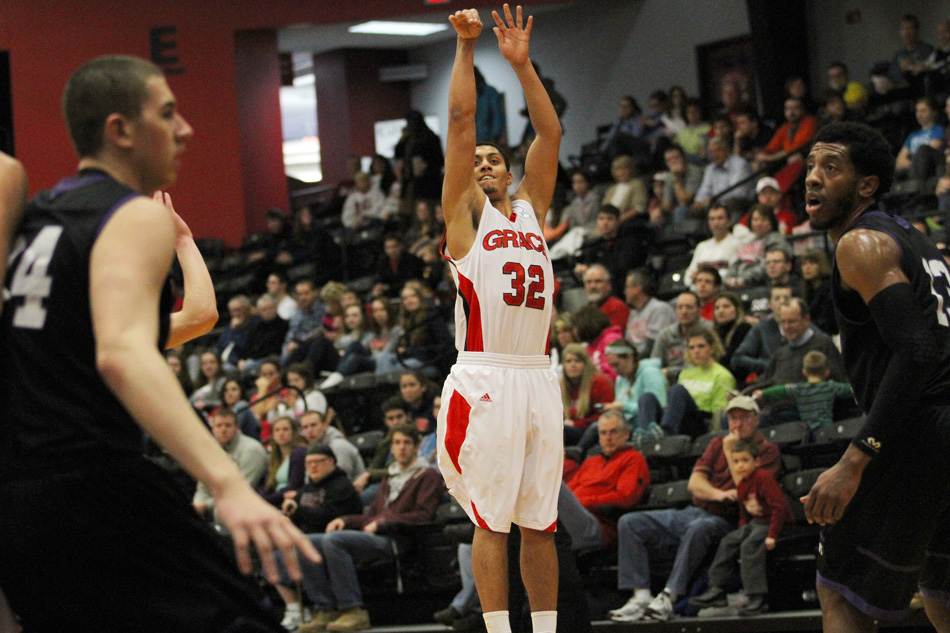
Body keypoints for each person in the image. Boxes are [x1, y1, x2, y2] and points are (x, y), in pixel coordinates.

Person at [440, 7, 563, 633]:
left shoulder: (533, 211)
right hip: (485, 377)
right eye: (476, 160)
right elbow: (461, 126)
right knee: (491, 519)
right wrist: (466, 50)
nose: (483, 162)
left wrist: (521, 66)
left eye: (495, 158)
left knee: (540, 523)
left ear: (510, 172)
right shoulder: (465, 220)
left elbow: (550, 132)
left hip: (540, 377)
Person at [800, 121, 950, 631]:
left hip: (920, 428)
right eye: (811, 167)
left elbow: (917, 351)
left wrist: (857, 456)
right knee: (942, 588)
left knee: (839, 592)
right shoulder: (917, 238)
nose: (812, 179)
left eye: (830, 167)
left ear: (867, 185)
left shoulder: (861, 245)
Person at [609, 396, 780, 623]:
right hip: (696, 509)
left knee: (698, 528)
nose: (737, 424)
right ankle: (640, 596)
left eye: (744, 418)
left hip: (729, 520)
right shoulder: (716, 443)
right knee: (630, 522)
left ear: (756, 420)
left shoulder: (766, 450)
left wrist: (731, 452)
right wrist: (719, 494)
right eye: (733, 418)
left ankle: (669, 596)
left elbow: (746, 493)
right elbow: (695, 484)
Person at [284, 424, 445, 633]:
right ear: (391, 448)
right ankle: (325, 608)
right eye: (397, 443)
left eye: (407, 443)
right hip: (375, 536)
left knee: (334, 540)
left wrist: (384, 522)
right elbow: (370, 517)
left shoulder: (427, 476)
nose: (401, 447)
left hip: (398, 539)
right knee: (307, 541)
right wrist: (345, 520)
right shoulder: (390, 477)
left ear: (416, 447)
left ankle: (353, 609)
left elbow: (423, 515)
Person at [688, 438, 793, 616]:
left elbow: (780, 508)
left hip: (773, 523)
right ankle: (717, 589)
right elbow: (744, 511)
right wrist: (741, 529)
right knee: (728, 541)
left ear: (756, 461)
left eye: (745, 460)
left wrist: (772, 535)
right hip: (756, 522)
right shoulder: (743, 483)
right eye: (736, 462)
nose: (740, 466)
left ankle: (755, 596)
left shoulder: (763, 478)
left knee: (749, 546)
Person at [276, 443, 364, 631]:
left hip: (339, 538)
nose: (313, 467)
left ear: (332, 462)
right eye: (309, 463)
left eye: (318, 462)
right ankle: (319, 609)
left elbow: (328, 517)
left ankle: (347, 608)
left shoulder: (342, 486)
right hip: (314, 539)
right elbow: (298, 515)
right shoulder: (307, 489)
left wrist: (299, 510)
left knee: (313, 542)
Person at [558, 411, 650, 550]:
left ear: (626, 434)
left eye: (613, 432)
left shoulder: (633, 459)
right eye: (603, 433)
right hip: (573, 518)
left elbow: (625, 498)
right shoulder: (591, 462)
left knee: (554, 485)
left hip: (597, 526)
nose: (608, 438)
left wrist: (585, 502)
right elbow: (570, 490)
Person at [651, 327, 736, 438]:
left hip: (702, 423)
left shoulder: (722, 375)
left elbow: (718, 413)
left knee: (677, 390)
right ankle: (647, 435)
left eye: (701, 346)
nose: (696, 351)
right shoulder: (685, 373)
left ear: (712, 348)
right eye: (691, 348)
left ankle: (667, 433)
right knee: (647, 398)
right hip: (680, 419)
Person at [753, 350, 854, 437]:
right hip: (827, 430)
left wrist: (762, 393)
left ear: (804, 372)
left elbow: (781, 390)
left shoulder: (799, 389)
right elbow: (850, 389)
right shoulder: (830, 387)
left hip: (805, 432)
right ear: (827, 372)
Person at [559, 343, 615, 446]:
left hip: (591, 432)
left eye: (577, 361)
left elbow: (606, 416)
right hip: (569, 431)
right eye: (568, 361)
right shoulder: (561, 387)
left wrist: (576, 424)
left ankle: (576, 454)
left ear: (586, 364)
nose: (573, 365)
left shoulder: (598, 382)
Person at [650, 291, 712, 383]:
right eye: (680, 307)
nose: (684, 312)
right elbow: (654, 364)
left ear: (699, 310)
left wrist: (671, 372)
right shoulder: (666, 334)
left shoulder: (709, 330)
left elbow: (703, 365)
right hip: (668, 383)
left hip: (701, 380)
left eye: (689, 307)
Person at [623, 267, 676, 358]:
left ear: (638, 289)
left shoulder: (659, 309)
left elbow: (653, 346)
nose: (624, 292)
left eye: (627, 287)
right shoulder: (633, 314)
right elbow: (627, 343)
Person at [300, 410, 365, 481]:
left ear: (325, 426)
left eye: (313, 425)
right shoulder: (313, 448)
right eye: (305, 427)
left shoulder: (339, 446)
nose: (309, 431)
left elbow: (341, 480)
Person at [258, 415, 308, 507]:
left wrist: (265, 499)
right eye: (277, 430)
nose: (281, 433)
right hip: (275, 501)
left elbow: (294, 487)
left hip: (289, 503)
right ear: (272, 435)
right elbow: (268, 485)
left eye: (285, 429)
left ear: (293, 433)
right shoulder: (274, 457)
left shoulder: (299, 453)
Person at [583, 263, 629, 329]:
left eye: (598, 281)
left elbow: (615, 336)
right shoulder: (586, 310)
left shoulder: (617, 307)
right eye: (589, 282)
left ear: (608, 285)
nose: (593, 286)